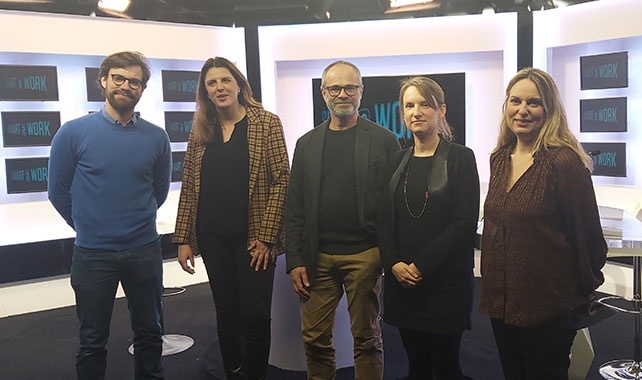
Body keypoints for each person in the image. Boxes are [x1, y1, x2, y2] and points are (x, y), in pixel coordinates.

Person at [48, 51, 171, 380]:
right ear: (103, 81)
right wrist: (89, 225)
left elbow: (158, 192)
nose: (126, 86)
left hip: (144, 250)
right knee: (91, 342)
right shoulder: (72, 133)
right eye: (119, 78)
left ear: (142, 89)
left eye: (135, 81)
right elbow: (57, 192)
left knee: (149, 335)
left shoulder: (156, 138)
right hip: (92, 254)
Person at [479, 67, 608, 380]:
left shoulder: (564, 163)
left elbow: (589, 239)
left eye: (533, 103)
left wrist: (579, 294)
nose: (522, 110)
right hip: (502, 302)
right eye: (515, 101)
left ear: (548, 110)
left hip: (548, 306)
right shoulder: (500, 157)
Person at [173, 57, 290, 380]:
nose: (219, 88)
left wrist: (267, 237)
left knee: (254, 314)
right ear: (205, 91)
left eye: (225, 80)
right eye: (212, 83)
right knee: (226, 312)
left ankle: (254, 374)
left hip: (254, 238)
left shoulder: (266, 123)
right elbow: (190, 188)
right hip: (212, 236)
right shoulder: (200, 131)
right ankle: (232, 371)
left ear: (239, 85)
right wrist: (184, 239)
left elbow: (282, 179)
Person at [284, 60, 401, 379]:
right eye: (334, 88)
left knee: (367, 339)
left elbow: (395, 206)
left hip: (365, 254)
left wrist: (387, 256)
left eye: (350, 87)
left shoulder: (385, 141)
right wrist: (294, 260)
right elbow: (294, 206)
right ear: (323, 93)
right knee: (315, 339)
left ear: (361, 92)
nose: (342, 94)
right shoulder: (306, 144)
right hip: (316, 257)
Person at [377, 77, 479, 380]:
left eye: (424, 104)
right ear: (403, 113)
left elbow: (464, 223)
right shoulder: (397, 160)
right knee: (416, 366)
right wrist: (393, 263)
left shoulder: (461, 157)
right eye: (409, 105)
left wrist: (421, 266)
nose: (416, 111)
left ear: (441, 110)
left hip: (445, 285)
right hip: (402, 284)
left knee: (447, 368)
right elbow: (383, 219)